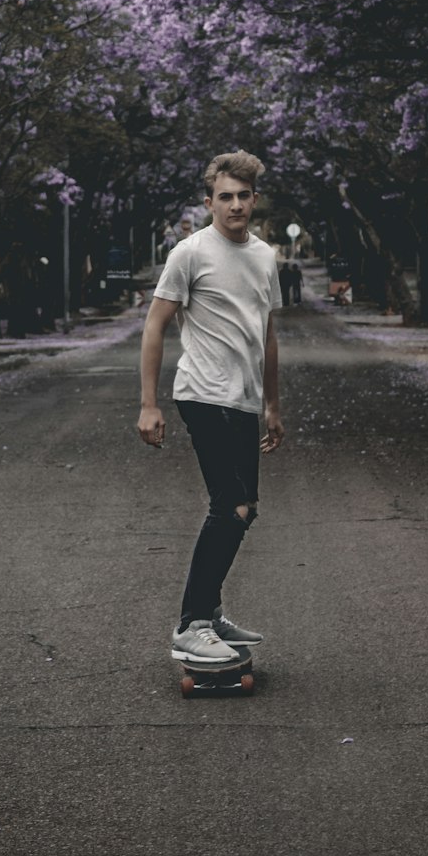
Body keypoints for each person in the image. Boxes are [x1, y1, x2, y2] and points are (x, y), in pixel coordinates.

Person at [137, 151, 284, 664]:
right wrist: (148, 404)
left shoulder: (265, 257)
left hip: (243, 401)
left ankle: (209, 611)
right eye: (226, 197)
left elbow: (267, 332)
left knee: (245, 510)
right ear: (209, 202)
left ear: (255, 201)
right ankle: (192, 624)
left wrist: (272, 404)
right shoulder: (190, 253)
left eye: (244, 196)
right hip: (202, 394)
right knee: (232, 506)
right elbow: (155, 325)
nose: (236, 205)